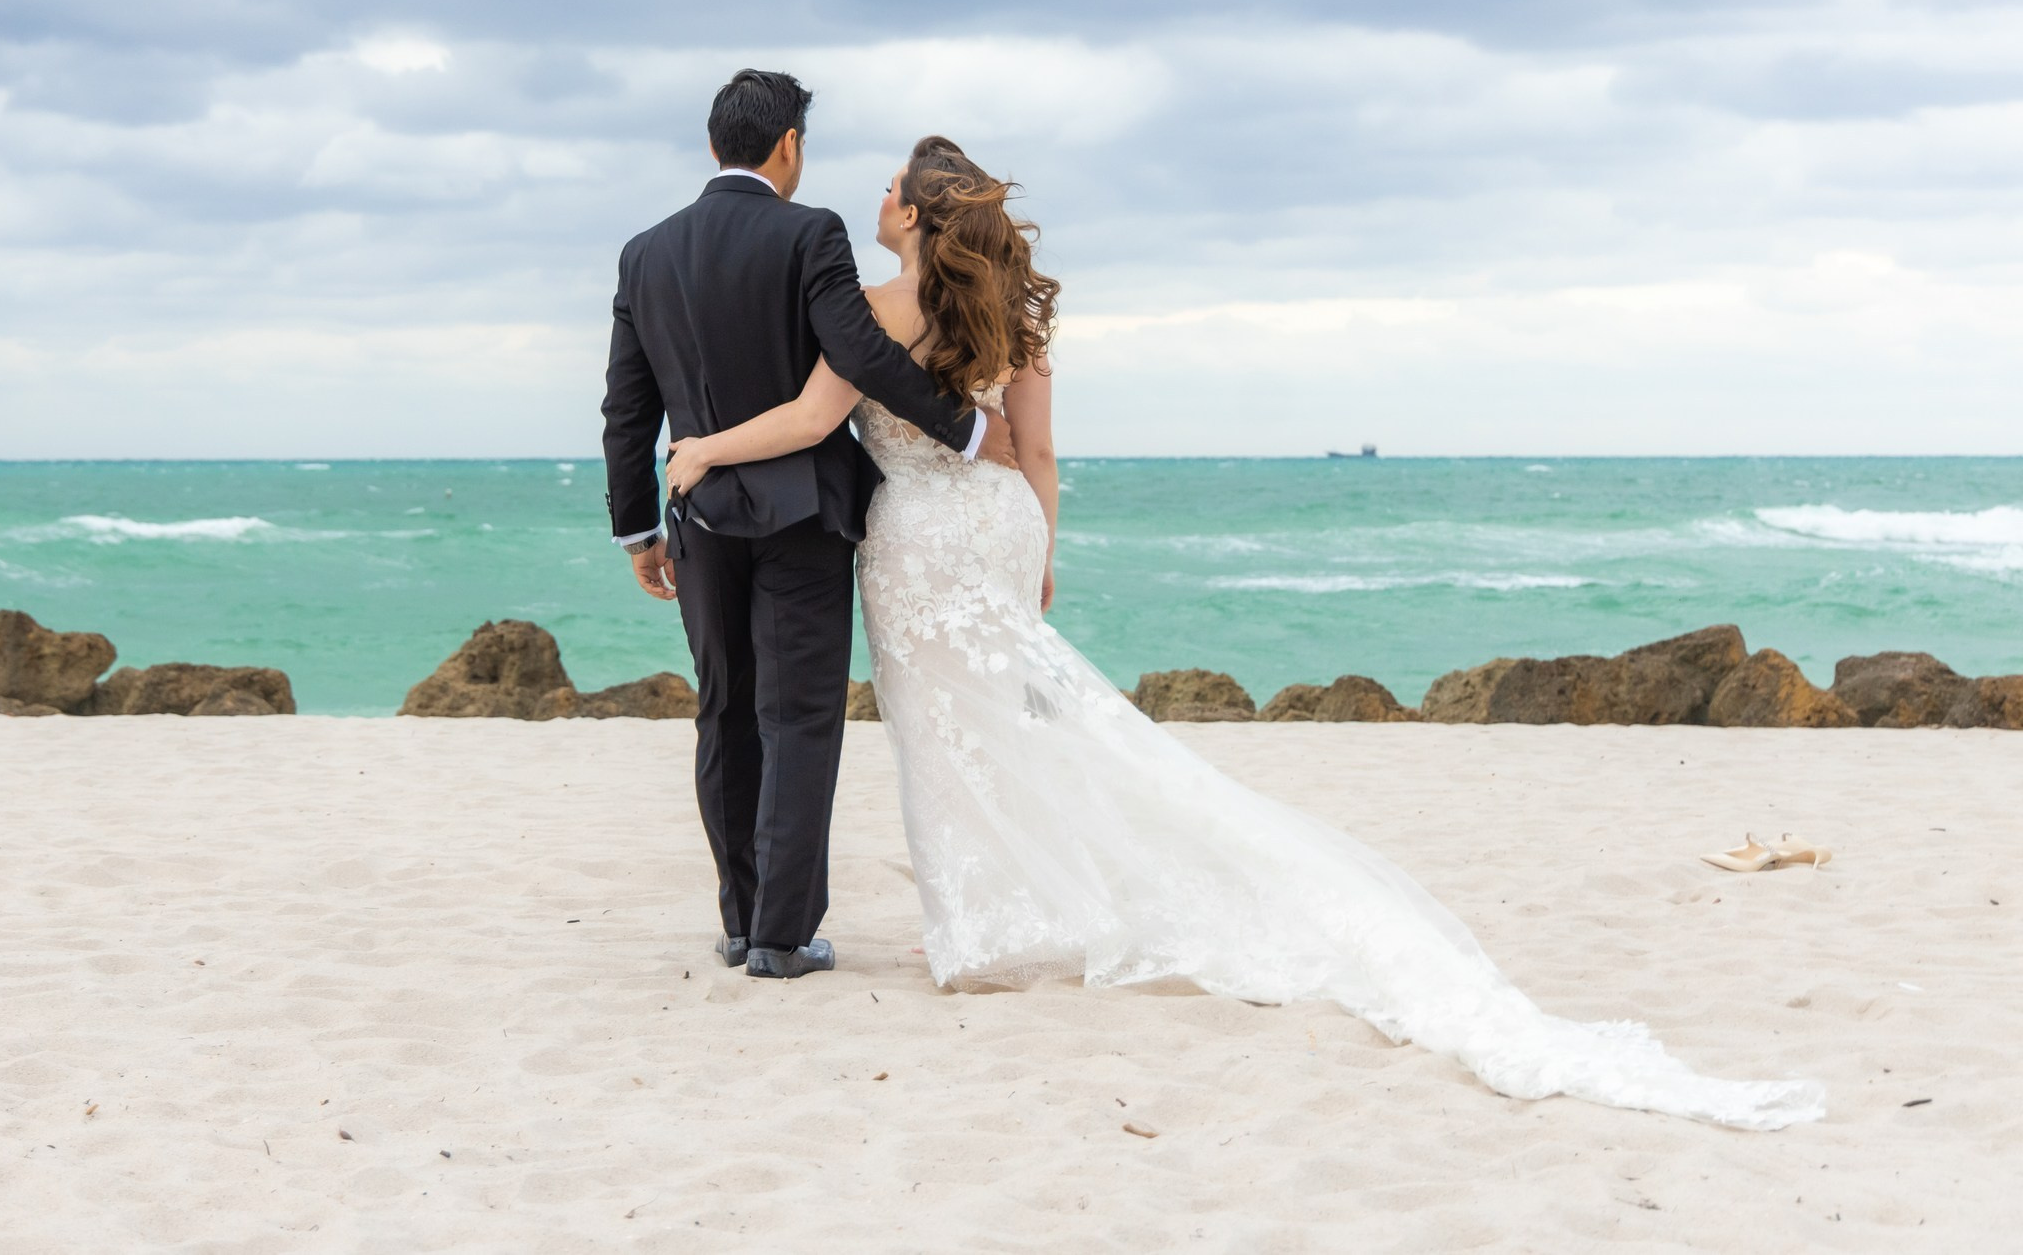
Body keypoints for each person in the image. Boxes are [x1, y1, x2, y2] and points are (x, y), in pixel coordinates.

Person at [657, 134, 1823, 1130]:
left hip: (916, 538)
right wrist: (1043, 551)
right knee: (1009, 722)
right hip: (996, 530)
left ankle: (980, 924)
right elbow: (1040, 453)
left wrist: (702, 448)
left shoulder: (868, 309)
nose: (875, 201)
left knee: (945, 731)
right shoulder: (1010, 312)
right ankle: (999, 912)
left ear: (907, 211)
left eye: (888, 190)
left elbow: (814, 415)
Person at [600, 71, 1015, 980]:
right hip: (802, 514)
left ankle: (743, 921)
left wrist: (637, 528)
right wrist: (971, 427)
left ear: (717, 145)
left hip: (699, 517)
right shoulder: (809, 234)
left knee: (724, 713)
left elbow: (627, 409)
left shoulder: (646, 252)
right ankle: (784, 938)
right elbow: (861, 353)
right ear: (788, 144)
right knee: (798, 716)